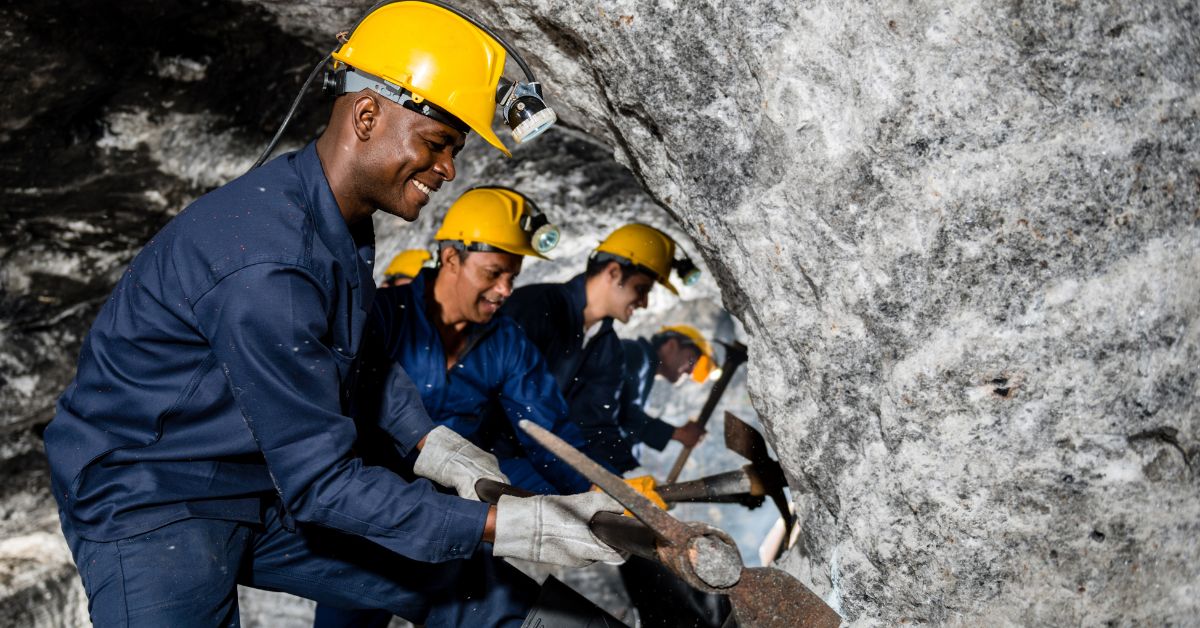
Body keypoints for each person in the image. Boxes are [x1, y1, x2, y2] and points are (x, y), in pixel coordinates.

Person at [42, 4, 621, 626]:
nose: (449, 170)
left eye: (454, 150)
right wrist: (501, 523)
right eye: (437, 144)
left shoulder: (332, 221)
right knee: (460, 543)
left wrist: (429, 442)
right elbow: (322, 485)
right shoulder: (269, 266)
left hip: (255, 481)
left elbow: (356, 351)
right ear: (366, 115)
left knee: (479, 590)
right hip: (150, 497)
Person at [315, 186, 593, 628]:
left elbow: (547, 429)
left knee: (473, 609)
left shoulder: (506, 343)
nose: (505, 290)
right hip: (371, 513)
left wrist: (596, 493)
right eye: (494, 272)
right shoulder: (384, 316)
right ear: (451, 259)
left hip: (455, 515)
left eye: (513, 277)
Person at [500, 223, 698, 474]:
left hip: (532, 464)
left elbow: (595, 426)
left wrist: (622, 481)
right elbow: (489, 391)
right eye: (641, 289)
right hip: (485, 455)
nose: (645, 303)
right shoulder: (535, 307)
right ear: (613, 272)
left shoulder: (609, 350)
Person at [618, 325, 715, 456]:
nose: (690, 372)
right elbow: (621, 412)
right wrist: (677, 433)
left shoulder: (645, 371)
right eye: (691, 361)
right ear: (671, 345)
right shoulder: (635, 353)